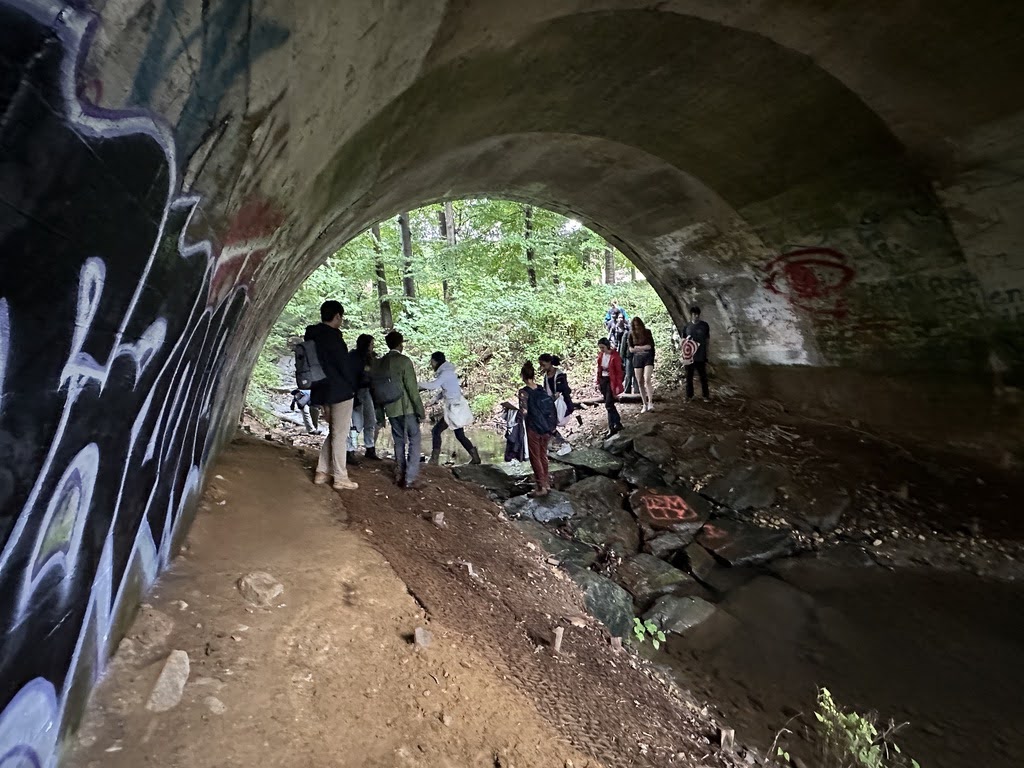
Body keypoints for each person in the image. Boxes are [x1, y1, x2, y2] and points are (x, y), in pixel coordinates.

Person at [305, 300, 359, 491]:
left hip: (321, 391)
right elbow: (344, 367)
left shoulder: (312, 336)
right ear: (337, 316)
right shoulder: (334, 338)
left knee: (335, 431)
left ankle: (321, 472)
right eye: (341, 317)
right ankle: (340, 477)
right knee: (340, 433)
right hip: (340, 391)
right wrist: (354, 386)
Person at [378, 331, 426, 489]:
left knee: (399, 441)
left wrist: (380, 414)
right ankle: (410, 478)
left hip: (390, 409)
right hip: (406, 408)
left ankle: (400, 472)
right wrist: (420, 410)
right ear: (400, 345)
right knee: (415, 440)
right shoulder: (404, 361)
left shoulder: (381, 362)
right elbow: (412, 389)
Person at [420, 351, 481, 466]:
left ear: (435, 361)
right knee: (459, 435)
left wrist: (417, 384)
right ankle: (475, 457)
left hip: (454, 409)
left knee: (436, 431)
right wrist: (433, 401)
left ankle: (434, 460)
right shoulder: (448, 373)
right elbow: (447, 390)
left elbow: (434, 386)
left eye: (432, 362)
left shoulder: (445, 373)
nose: (431, 364)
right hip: (455, 407)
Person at [518, 361, 557, 497]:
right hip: (546, 427)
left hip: (533, 427)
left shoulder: (524, 392)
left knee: (535, 458)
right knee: (543, 455)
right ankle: (546, 484)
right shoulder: (541, 389)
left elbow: (524, 412)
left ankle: (541, 487)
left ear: (522, 376)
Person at [346, 334, 379, 463]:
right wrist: (353, 397)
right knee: (357, 424)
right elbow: (351, 378)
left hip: (366, 392)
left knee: (371, 421)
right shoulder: (353, 358)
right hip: (355, 393)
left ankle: (370, 448)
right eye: (371, 344)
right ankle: (350, 450)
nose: (373, 347)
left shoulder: (369, 358)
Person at [538, 353, 575, 456]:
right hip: (551, 405)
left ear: (550, 363)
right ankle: (555, 445)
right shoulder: (546, 376)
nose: (542, 367)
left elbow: (563, 391)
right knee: (548, 425)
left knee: (550, 426)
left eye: (543, 365)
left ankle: (562, 444)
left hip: (561, 404)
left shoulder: (559, 375)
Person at [595, 338, 624, 437]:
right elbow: (598, 369)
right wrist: (598, 382)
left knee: (608, 404)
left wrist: (617, 386)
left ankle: (612, 427)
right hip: (603, 380)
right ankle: (617, 423)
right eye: (600, 348)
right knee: (610, 404)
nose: (601, 349)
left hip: (611, 381)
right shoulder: (601, 356)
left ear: (607, 346)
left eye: (602, 347)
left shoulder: (615, 356)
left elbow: (619, 373)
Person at [683, 305, 711, 401]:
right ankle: (689, 395)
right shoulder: (687, 326)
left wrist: (707, 353)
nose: (696, 316)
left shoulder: (704, 325)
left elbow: (707, 340)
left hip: (701, 355)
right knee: (689, 377)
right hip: (689, 355)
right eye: (694, 314)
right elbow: (683, 341)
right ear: (691, 315)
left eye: (697, 314)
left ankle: (705, 395)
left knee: (703, 376)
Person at [628, 317, 656, 412]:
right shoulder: (631, 335)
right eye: (635, 326)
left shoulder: (647, 332)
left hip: (648, 358)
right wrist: (641, 348)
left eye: (638, 325)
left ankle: (650, 402)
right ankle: (644, 403)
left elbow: (650, 346)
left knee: (647, 378)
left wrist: (638, 348)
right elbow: (631, 349)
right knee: (640, 381)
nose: (637, 327)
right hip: (637, 359)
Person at [611, 313, 638, 394]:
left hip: (637, 356)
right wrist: (621, 358)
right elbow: (623, 347)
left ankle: (637, 391)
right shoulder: (627, 333)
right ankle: (627, 390)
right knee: (629, 374)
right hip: (628, 356)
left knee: (636, 374)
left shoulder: (637, 334)